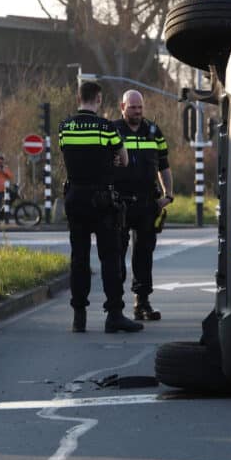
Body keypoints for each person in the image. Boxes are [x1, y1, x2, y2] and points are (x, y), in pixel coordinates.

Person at [60, 81, 142, 334]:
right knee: (110, 257)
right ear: (98, 99)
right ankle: (114, 314)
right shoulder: (106, 127)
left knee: (79, 258)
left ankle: (79, 317)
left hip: (75, 197)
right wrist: (109, 160)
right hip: (102, 200)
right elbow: (124, 160)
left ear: (78, 98)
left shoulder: (65, 127)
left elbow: (70, 156)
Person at [113, 90, 173, 321]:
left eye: (140, 107)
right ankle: (116, 306)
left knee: (144, 254)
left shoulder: (153, 131)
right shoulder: (113, 130)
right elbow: (101, 163)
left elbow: (164, 165)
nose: (137, 112)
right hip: (120, 202)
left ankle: (142, 303)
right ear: (122, 106)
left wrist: (168, 195)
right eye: (132, 107)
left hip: (148, 202)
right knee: (116, 253)